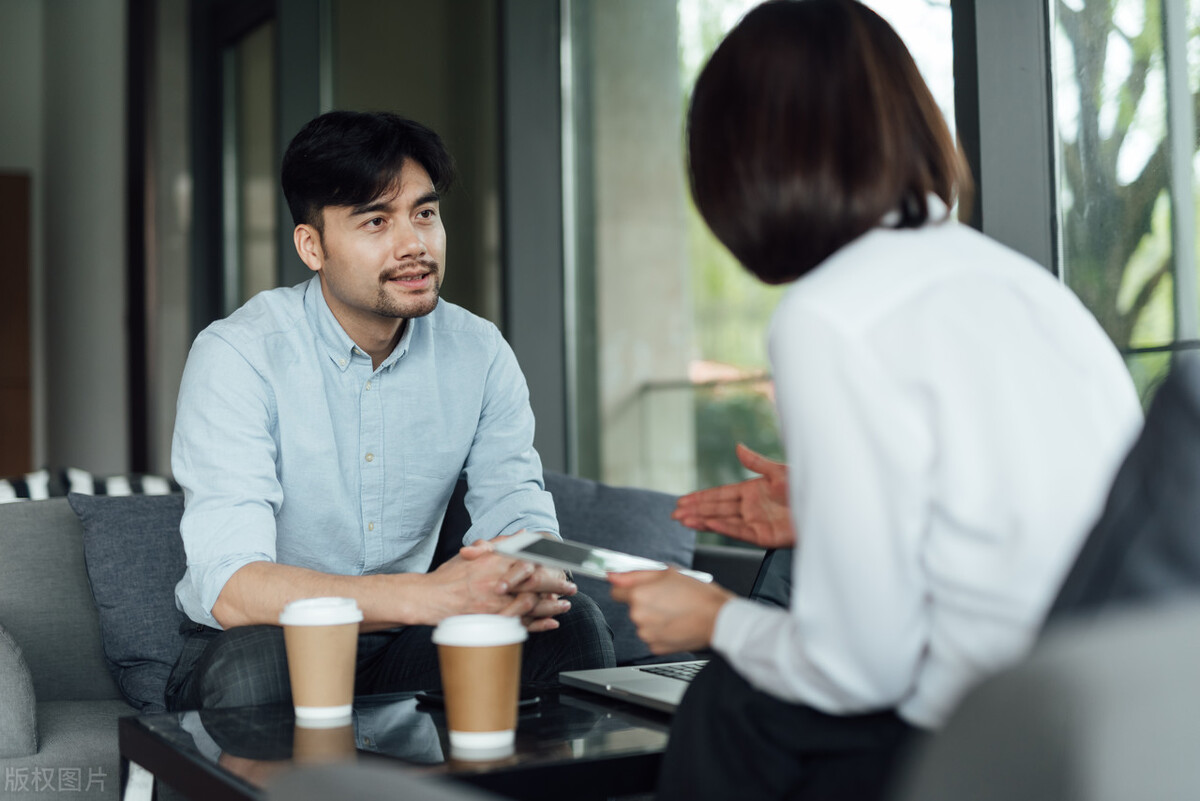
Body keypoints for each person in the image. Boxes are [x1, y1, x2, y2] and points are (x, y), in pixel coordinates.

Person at [608, 2, 1144, 799]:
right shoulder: (1018, 283)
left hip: (989, 743)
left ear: (738, 159)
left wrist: (709, 616)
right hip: (1117, 726)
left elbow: (855, 667)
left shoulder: (832, 313)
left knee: (731, 703)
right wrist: (828, 509)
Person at [166, 110, 614, 712]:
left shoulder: (478, 351)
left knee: (569, 625)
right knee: (258, 670)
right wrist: (426, 596)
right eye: (376, 221)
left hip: (405, 644)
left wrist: (529, 566)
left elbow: (514, 505)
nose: (415, 245)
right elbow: (233, 586)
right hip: (262, 642)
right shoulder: (238, 356)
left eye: (424, 214)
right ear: (312, 246)